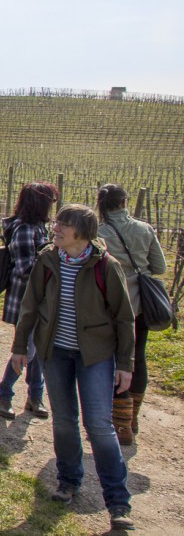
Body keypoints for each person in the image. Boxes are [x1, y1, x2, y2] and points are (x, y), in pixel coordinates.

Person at [11, 204, 135, 532]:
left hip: (96, 356)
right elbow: (30, 305)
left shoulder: (106, 266)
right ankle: (68, 482)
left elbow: (124, 317)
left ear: (80, 232)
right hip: (56, 353)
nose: (56, 228)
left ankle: (118, 501)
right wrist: (21, 346)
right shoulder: (47, 260)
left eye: (64, 225)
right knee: (64, 421)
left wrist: (125, 363)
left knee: (99, 425)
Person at [97, 183, 167, 445]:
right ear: (125, 202)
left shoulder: (100, 232)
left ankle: (121, 423)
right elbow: (159, 267)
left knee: (116, 359)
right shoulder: (144, 228)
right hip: (142, 305)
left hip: (112, 305)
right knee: (139, 357)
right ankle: (133, 417)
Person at [0, 182, 59, 421]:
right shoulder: (24, 230)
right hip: (25, 300)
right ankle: (4, 394)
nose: (52, 206)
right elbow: (24, 269)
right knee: (28, 348)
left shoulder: (40, 227)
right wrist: (54, 265)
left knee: (38, 348)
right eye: (49, 201)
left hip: (43, 299)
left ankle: (34, 396)